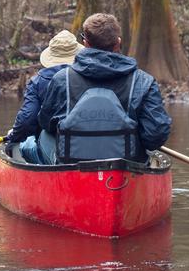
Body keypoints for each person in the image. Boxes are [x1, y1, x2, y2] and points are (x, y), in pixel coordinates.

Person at [29, 13, 171, 164]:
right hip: (128, 165)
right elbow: (155, 135)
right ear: (118, 42)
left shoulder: (62, 79)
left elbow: (46, 123)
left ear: (85, 43)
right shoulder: (144, 81)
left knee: (43, 135)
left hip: (71, 164)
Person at [5, 30, 80, 163]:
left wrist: (13, 137)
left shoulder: (38, 81)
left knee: (18, 145)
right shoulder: (89, 76)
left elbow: (26, 121)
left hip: (55, 149)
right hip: (85, 146)